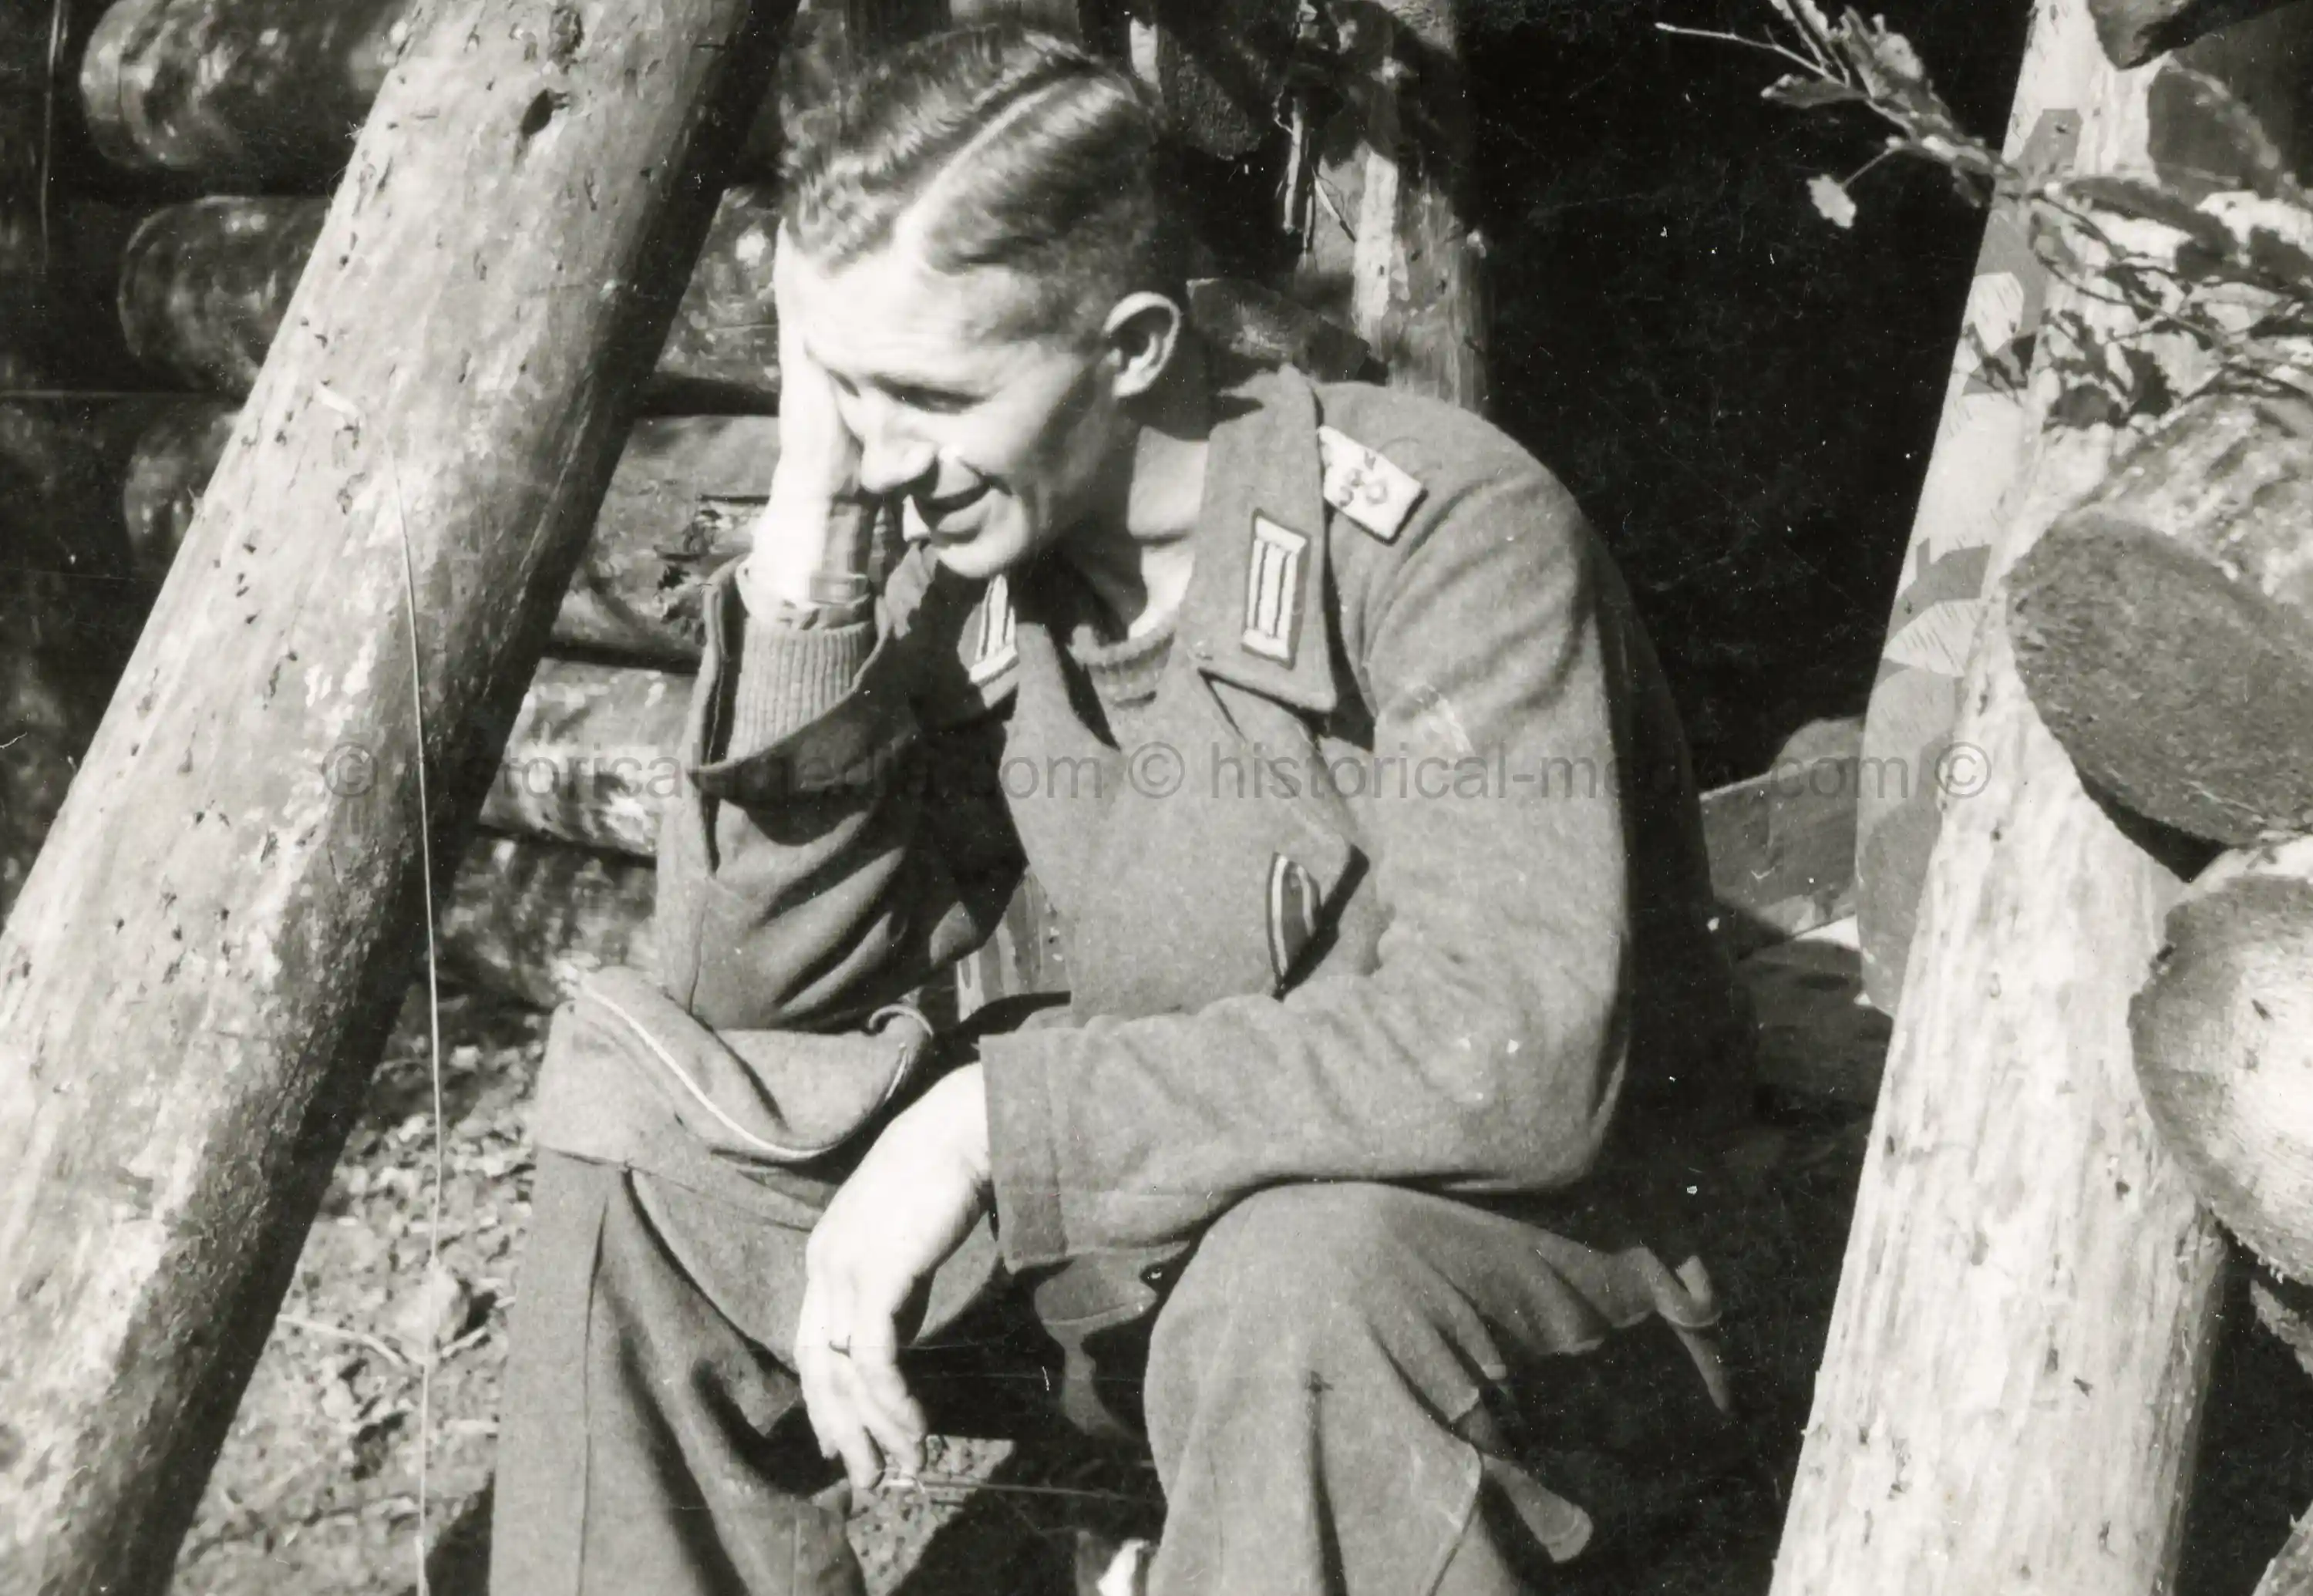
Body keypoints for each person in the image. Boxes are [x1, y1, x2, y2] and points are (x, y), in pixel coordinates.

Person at [490, 22, 1752, 1596]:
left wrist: (993, 1124)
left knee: (1301, 1289)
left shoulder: (1443, 537)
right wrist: (809, 566)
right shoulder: (971, 564)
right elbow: (745, 1012)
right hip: (1158, 1276)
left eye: (925, 395)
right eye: (837, 391)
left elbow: (1525, 1053)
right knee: (639, 1139)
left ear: (1138, 347)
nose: (879, 457)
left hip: (1541, 1306)